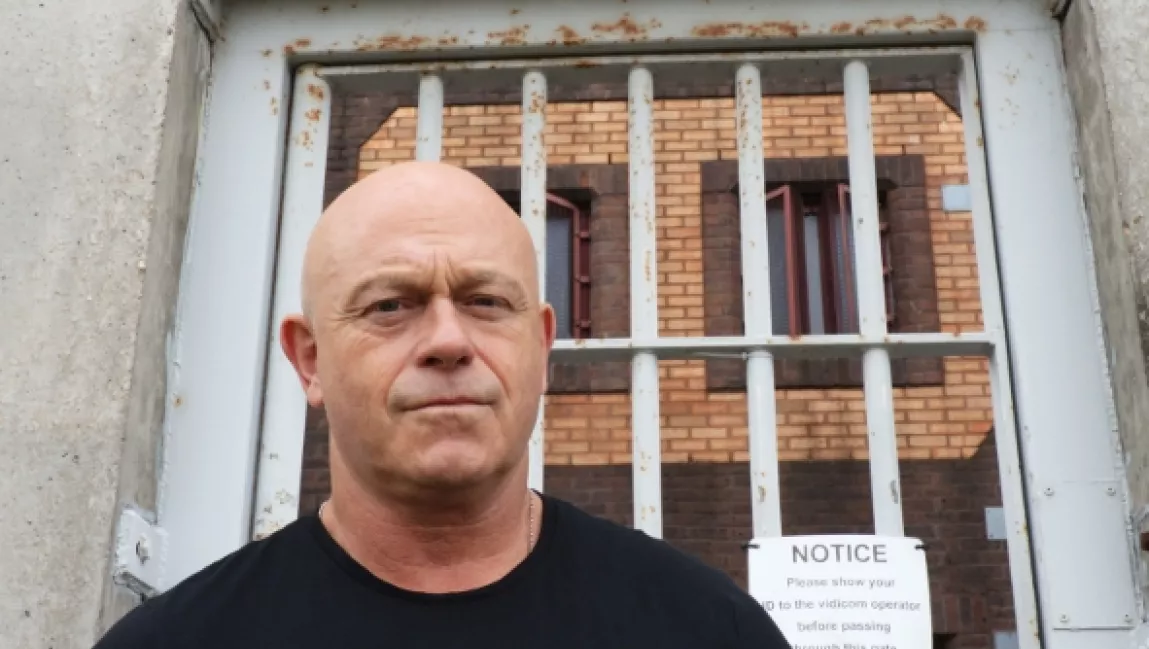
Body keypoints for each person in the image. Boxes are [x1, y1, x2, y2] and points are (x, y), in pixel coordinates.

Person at [93, 161, 792, 648]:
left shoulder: (708, 629)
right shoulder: (174, 641)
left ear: (540, 347)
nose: (448, 341)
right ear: (310, 358)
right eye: (389, 306)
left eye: (485, 301)